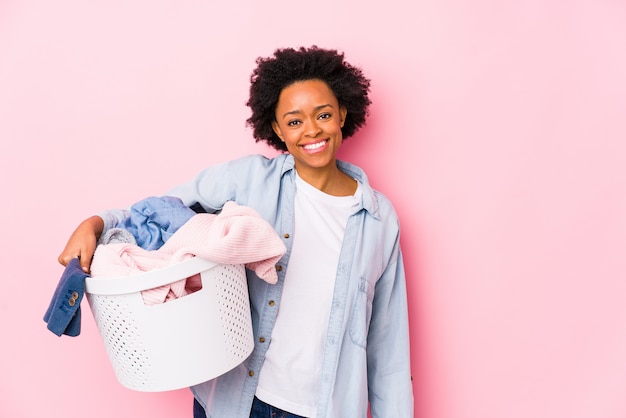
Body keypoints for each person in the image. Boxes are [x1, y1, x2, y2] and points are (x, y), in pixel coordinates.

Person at [58, 46, 413, 418]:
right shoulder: (246, 181)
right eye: (294, 121)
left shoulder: (378, 218)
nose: (311, 130)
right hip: (236, 401)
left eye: (323, 114)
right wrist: (95, 224)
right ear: (276, 128)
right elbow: (154, 214)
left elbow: (388, 346)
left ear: (342, 113)